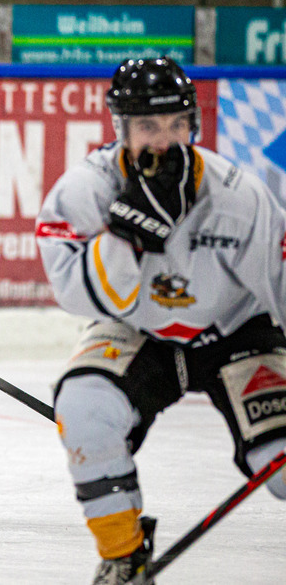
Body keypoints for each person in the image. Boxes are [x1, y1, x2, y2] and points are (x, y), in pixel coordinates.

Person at [36, 57, 286, 584]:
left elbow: (281, 285)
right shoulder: (85, 191)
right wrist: (130, 233)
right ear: (119, 126)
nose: (165, 140)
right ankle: (122, 554)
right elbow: (78, 296)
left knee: (281, 462)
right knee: (82, 408)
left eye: (177, 123)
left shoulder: (238, 195)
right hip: (136, 328)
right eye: (148, 126)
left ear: (193, 122)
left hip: (237, 330)